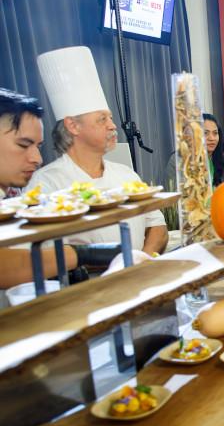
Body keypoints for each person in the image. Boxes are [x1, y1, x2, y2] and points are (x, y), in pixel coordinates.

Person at [28, 46, 167, 255]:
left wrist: (141, 263)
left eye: (110, 118)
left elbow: (157, 226)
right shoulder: (45, 183)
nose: (113, 126)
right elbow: (50, 251)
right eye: (103, 119)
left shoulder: (126, 174)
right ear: (73, 126)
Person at [0, 88, 128, 294]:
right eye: (23, 145)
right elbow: (7, 268)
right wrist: (84, 254)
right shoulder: (46, 181)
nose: (36, 158)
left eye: (38, 147)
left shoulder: (8, 196)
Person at [165, 113, 224, 191]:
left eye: (215, 133)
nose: (212, 138)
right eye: (205, 133)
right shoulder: (177, 161)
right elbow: (171, 195)